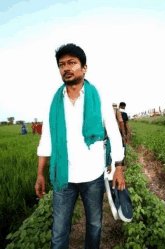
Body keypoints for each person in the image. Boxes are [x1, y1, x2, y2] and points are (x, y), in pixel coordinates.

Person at [35, 43, 126, 249]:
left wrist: (118, 167)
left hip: (93, 176)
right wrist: (41, 173)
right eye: (61, 64)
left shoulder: (98, 98)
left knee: (94, 226)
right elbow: (46, 139)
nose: (66, 68)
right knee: (58, 232)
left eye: (72, 63)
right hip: (63, 179)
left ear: (84, 68)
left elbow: (113, 133)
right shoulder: (54, 103)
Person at [119, 102, 130, 166]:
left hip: (115, 133)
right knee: (123, 146)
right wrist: (128, 132)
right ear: (124, 106)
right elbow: (126, 124)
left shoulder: (114, 113)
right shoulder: (124, 114)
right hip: (122, 133)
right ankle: (122, 162)